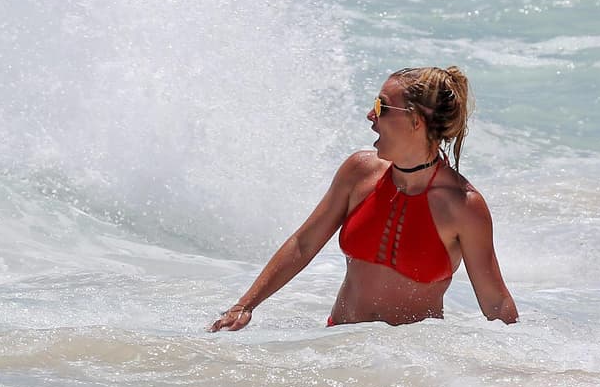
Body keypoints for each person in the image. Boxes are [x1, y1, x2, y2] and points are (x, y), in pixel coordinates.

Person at [210, 66, 517, 331]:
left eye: (381, 107)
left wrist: (528, 377)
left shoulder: (463, 206)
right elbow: (303, 244)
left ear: (415, 121)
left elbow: (496, 302)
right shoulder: (359, 172)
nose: (371, 115)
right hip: (338, 344)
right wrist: (245, 305)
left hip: (412, 368)